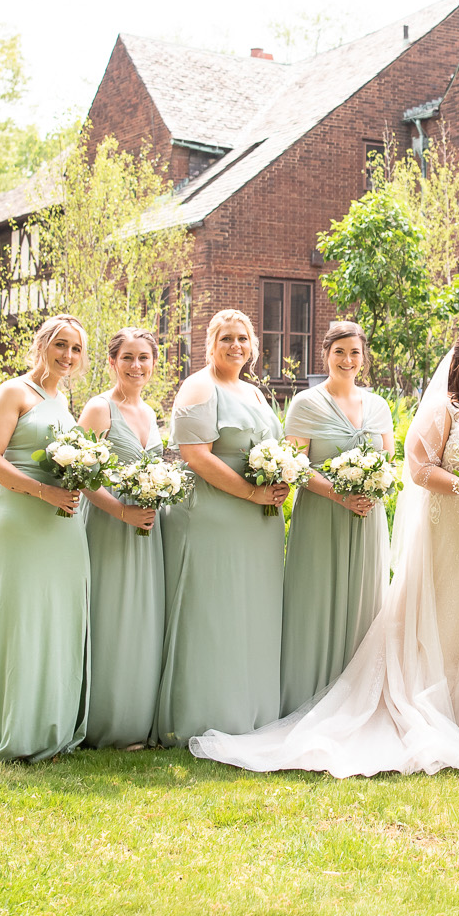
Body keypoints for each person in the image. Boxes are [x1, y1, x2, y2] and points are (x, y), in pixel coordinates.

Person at [189, 329, 459, 776]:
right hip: (452, 529)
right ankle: (437, 706)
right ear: (458, 364)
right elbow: (417, 467)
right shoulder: (443, 408)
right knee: (446, 612)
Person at [156, 310, 291, 747]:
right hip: (213, 517)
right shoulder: (199, 386)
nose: (236, 346)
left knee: (251, 611)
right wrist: (251, 494)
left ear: (253, 345)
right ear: (210, 344)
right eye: (227, 338)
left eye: (243, 339)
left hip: (258, 524)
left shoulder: (252, 392)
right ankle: (206, 712)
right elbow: (195, 455)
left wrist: (280, 476)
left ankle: (250, 709)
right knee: (214, 612)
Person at [0, 314, 90, 763]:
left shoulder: (64, 401)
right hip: (22, 519)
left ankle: (50, 724)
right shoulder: (15, 391)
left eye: (75, 349)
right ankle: (14, 730)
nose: (68, 356)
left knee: (56, 618)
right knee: (22, 619)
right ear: (42, 345)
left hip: (63, 524)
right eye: (61, 346)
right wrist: (42, 490)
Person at [279, 320, 394, 714]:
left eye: (355, 352)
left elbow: (388, 459)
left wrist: (372, 489)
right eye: (339, 351)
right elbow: (294, 463)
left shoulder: (378, 405)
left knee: (366, 602)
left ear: (364, 357)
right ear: (325, 354)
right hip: (322, 516)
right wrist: (339, 494)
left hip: (367, 519)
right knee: (318, 600)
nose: (347, 359)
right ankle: (309, 695)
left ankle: (362, 697)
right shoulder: (305, 403)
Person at [79, 326, 168, 750]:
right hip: (109, 526)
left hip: (147, 529)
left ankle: (137, 715)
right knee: (111, 615)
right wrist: (121, 510)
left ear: (154, 364)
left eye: (144, 358)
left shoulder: (150, 413)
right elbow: (79, 475)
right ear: (112, 362)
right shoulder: (99, 409)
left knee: (141, 618)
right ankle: (103, 721)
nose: (137, 366)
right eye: (128, 357)